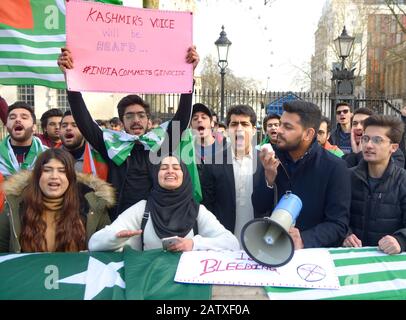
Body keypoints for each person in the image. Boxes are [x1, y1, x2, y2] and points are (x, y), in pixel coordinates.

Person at [57, 46, 199, 221]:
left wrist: (188, 77)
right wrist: (70, 78)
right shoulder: (110, 145)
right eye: (129, 116)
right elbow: (84, 121)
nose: (136, 120)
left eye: (141, 115)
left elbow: (182, 118)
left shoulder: (161, 144)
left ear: (148, 120)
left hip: (156, 220)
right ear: (122, 122)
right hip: (119, 221)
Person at [252, 100, 351, 248]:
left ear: (308, 134)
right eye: (280, 124)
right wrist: (268, 179)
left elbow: (338, 225)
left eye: (287, 127)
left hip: (313, 257)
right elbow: (259, 206)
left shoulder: (335, 167)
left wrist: (304, 239)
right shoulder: (271, 158)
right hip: (272, 246)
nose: (278, 130)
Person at [88, 155, 239, 252]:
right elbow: (94, 243)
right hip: (151, 285)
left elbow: (231, 243)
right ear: (156, 175)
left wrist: (193, 244)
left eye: (176, 168)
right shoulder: (143, 209)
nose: (170, 171)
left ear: (185, 175)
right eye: (164, 168)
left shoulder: (197, 211)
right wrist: (116, 237)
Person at [0, 148, 113, 253]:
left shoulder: (93, 205)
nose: (54, 176)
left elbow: (106, 251)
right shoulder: (14, 205)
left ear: (70, 178)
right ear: (37, 176)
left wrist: (116, 240)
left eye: (62, 171)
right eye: (47, 170)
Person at [201, 105, 265, 242]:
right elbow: (207, 207)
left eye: (245, 124)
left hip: (259, 240)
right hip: (224, 241)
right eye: (234, 124)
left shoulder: (266, 162)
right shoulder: (212, 163)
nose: (239, 129)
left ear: (254, 130)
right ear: (228, 129)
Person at [343, 115, 406, 254]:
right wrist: (345, 235)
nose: (369, 145)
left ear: (394, 147)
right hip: (350, 257)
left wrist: (400, 240)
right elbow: (335, 217)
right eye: (366, 139)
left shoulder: (402, 181)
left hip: (388, 260)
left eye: (377, 140)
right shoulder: (347, 177)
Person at [0, 101, 47, 177]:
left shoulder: (48, 154)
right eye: (12, 117)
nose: (17, 120)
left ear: (34, 127)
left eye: (24, 117)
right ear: (6, 126)